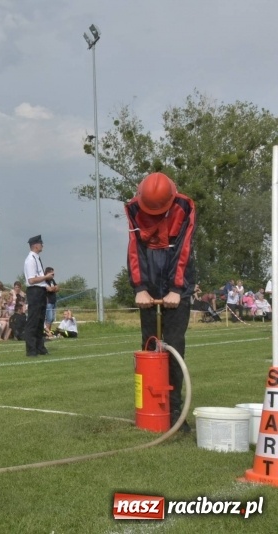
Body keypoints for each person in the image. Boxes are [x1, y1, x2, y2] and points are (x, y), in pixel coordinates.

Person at [126, 172, 195, 432]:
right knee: (150, 346)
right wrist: (140, 288)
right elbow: (134, 249)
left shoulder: (185, 207)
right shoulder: (134, 209)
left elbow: (184, 249)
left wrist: (177, 289)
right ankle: (150, 408)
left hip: (177, 277)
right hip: (149, 278)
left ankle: (175, 411)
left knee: (174, 346)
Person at [23, 235, 52, 357]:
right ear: (35, 245)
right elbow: (31, 280)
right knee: (33, 320)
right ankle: (31, 349)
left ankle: (40, 346)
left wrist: (47, 286)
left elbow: (39, 279)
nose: (42, 245)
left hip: (40, 291)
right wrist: (46, 277)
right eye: (41, 243)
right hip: (34, 291)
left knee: (40, 320)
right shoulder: (30, 260)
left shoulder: (37, 258)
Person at [44, 267, 59, 338]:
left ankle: (49, 333)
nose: (53, 275)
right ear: (47, 273)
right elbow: (49, 289)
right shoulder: (44, 280)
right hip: (48, 302)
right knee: (48, 319)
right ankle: (47, 334)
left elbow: (58, 288)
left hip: (53, 301)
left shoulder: (52, 280)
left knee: (52, 319)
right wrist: (53, 289)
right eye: (52, 273)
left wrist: (53, 288)